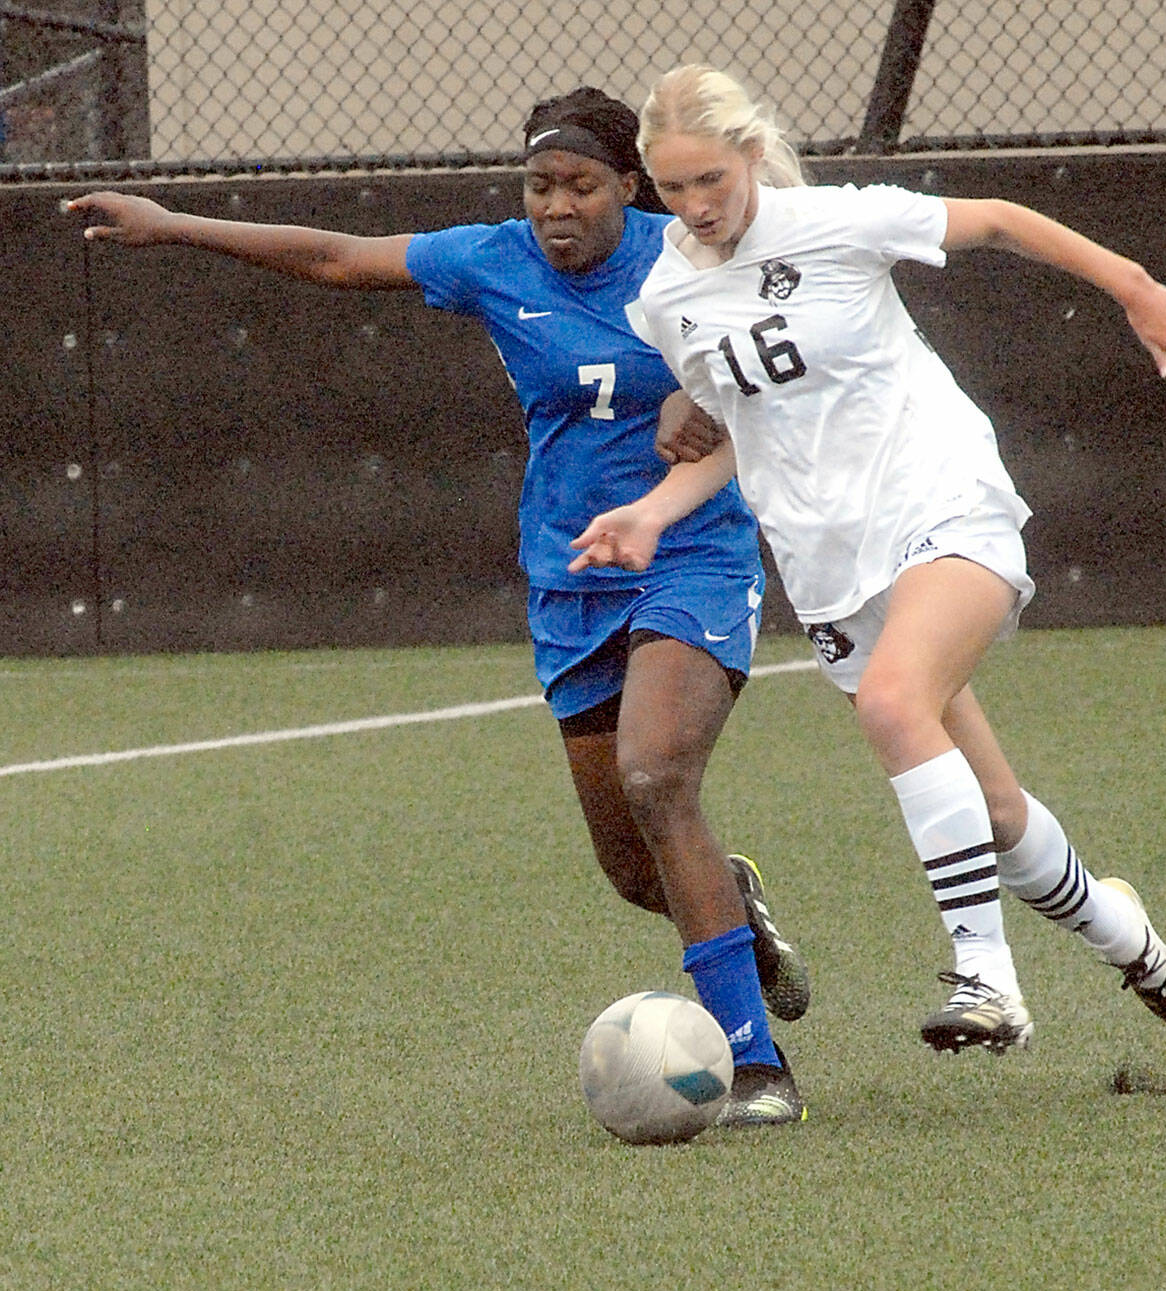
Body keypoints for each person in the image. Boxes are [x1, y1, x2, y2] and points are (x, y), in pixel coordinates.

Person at [66, 87, 810, 1125]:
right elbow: (335, 256)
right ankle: (734, 903)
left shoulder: (691, 253)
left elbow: (796, 328)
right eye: (539, 183)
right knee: (634, 870)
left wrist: (711, 389)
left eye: (581, 185)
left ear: (628, 187)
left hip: (690, 553)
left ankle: (757, 1064)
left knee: (655, 771)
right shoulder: (490, 258)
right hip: (567, 580)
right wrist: (173, 222)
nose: (557, 205)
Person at [572, 64, 1166, 1053]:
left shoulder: (833, 220)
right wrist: (655, 510)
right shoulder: (664, 296)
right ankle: (1134, 946)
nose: (698, 206)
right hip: (827, 562)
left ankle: (986, 980)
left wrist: (1131, 286)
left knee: (890, 702)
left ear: (749, 155)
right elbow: (745, 428)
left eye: (713, 179)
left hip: (937, 500)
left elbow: (997, 217)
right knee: (994, 812)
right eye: (673, 188)